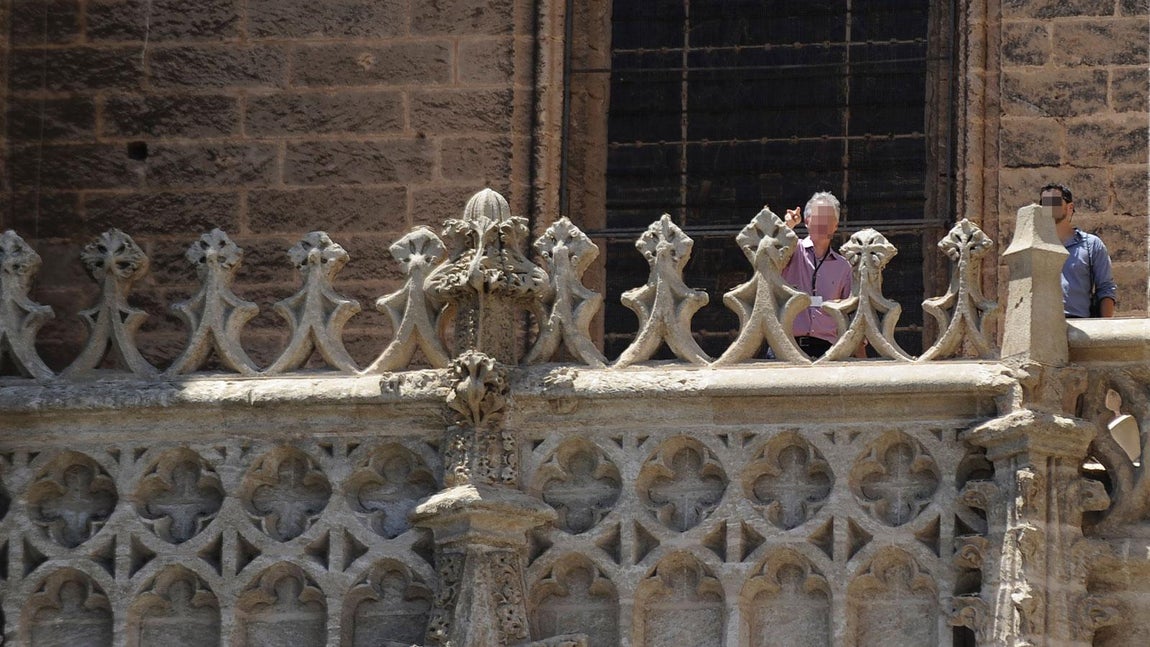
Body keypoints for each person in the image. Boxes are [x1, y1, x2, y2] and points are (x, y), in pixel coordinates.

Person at [779, 191, 856, 357]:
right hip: (787, 345)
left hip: (826, 351)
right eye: (818, 217)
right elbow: (770, 253)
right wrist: (788, 227)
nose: (823, 223)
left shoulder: (844, 267)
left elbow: (852, 311)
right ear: (807, 221)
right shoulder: (792, 250)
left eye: (828, 219)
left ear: (835, 226)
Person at [1040, 183, 1116, 318]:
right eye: (1044, 203)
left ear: (1070, 207)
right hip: (1043, 326)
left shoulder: (1091, 245)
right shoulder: (1035, 246)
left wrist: (1104, 329)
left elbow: (1106, 289)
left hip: (1079, 326)